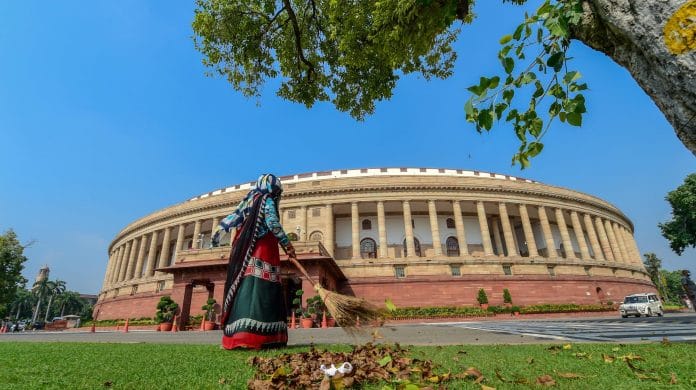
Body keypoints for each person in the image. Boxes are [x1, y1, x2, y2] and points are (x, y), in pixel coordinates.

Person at [211, 173, 295, 350]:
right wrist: (287, 245)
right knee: (263, 287)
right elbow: (272, 223)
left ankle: (236, 337)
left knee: (246, 288)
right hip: (264, 250)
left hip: (245, 252)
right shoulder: (267, 200)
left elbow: (235, 221)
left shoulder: (249, 200)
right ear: (274, 189)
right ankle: (261, 337)